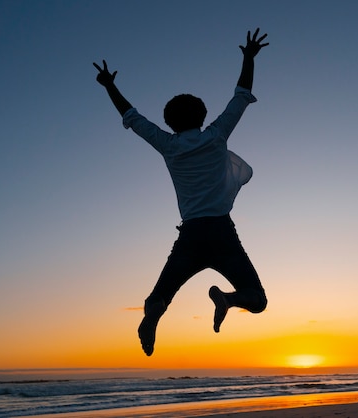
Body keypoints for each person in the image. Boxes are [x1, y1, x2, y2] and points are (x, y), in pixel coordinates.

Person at [94, 28, 269, 356]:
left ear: (170, 123)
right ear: (203, 117)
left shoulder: (168, 145)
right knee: (257, 300)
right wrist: (248, 58)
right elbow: (241, 97)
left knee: (159, 297)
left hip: (190, 236)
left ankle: (151, 319)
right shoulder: (216, 136)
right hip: (222, 233)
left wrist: (110, 86)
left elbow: (133, 118)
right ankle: (227, 299)